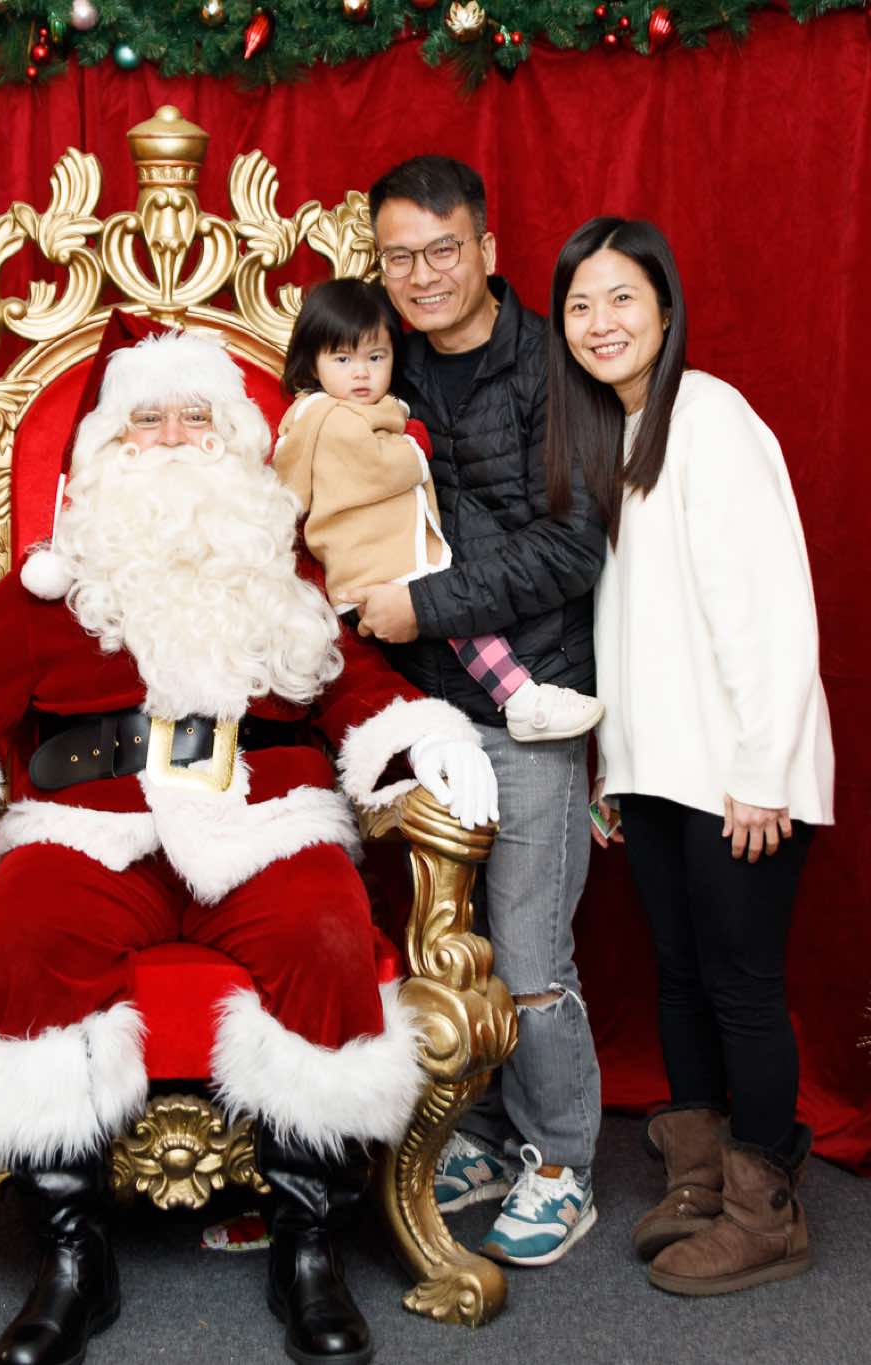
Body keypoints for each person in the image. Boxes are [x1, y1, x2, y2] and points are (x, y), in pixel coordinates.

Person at [0, 324, 499, 1365]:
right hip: (92, 831)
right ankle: (72, 1253)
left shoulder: (282, 573)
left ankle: (306, 1245)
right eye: (147, 418)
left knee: (328, 929)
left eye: (198, 417)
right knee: (26, 928)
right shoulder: (54, 583)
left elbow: (357, 689)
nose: (175, 437)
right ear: (109, 446)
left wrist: (424, 734)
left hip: (263, 825)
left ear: (234, 441)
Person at [545, 216, 835, 1295]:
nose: (599, 322)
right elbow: (629, 627)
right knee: (678, 976)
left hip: (736, 774)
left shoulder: (709, 418)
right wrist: (611, 770)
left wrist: (762, 770)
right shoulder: (611, 437)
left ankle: (766, 1213)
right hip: (654, 771)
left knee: (741, 985)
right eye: (578, 305)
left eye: (621, 297)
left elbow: (769, 611)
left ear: (664, 311)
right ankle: (701, 1176)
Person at [345, 156, 606, 1268]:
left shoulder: (552, 366)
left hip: (529, 701)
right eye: (398, 256)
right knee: (445, 942)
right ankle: (490, 1136)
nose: (421, 275)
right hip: (418, 712)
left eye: (441, 250)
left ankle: (563, 1163)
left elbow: (573, 547)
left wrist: (423, 604)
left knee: (531, 951)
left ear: (486, 249)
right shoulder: (380, 359)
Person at [273, 277, 605, 743]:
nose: (361, 374)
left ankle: (519, 698)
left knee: (455, 623)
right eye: (342, 360)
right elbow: (380, 468)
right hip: (373, 560)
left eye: (376, 358)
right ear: (313, 362)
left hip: (384, 553)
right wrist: (415, 444)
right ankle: (522, 698)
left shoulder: (354, 408)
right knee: (463, 628)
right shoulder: (328, 416)